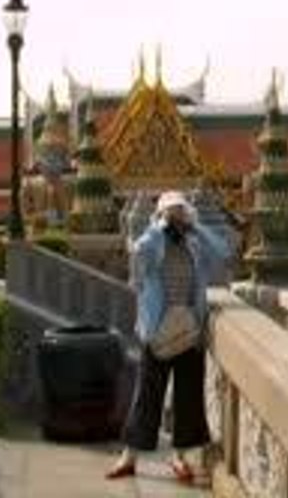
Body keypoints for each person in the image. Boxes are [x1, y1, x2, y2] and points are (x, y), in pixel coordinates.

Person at [107, 191, 232, 484]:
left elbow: (224, 253)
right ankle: (128, 458)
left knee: (188, 397)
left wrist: (196, 225)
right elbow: (137, 252)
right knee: (147, 396)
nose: (177, 217)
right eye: (172, 212)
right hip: (158, 331)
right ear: (162, 214)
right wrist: (158, 224)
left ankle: (179, 457)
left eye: (180, 211)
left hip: (190, 327)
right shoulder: (155, 242)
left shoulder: (193, 243)